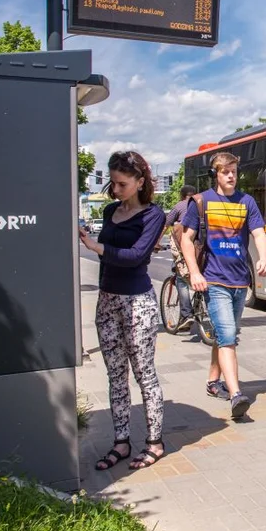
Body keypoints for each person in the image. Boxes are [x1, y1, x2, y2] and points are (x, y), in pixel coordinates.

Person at [79, 151, 167, 471]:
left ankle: (155, 442)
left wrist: (97, 247)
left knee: (144, 374)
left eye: (123, 184)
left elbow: (136, 255)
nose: (116, 190)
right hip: (108, 301)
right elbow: (109, 258)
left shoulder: (153, 215)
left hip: (138, 302)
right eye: (113, 183)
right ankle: (121, 442)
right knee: (116, 375)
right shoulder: (109, 210)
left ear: (140, 182)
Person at [180, 152, 266, 418]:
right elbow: (187, 240)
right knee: (229, 335)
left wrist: (263, 257)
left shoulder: (247, 202)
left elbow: (258, 233)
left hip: (240, 280)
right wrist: (195, 273)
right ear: (216, 175)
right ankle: (236, 394)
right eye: (225, 171)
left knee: (223, 334)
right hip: (214, 280)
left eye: (234, 171)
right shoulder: (202, 202)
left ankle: (212, 382)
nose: (231, 175)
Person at [162, 185, 198, 330]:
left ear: (182, 196)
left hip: (185, 247)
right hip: (203, 248)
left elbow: (165, 225)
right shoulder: (202, 205)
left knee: (181, 279)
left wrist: (156, 242)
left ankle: (186, 314)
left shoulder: (179, 206)